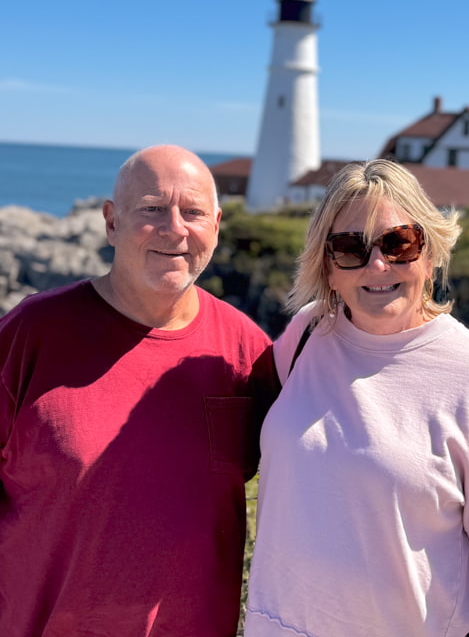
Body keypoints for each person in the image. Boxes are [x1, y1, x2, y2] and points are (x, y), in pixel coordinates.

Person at [245, 159, 469, 637]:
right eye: (349, 248)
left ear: (430, 251)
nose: (378, 264)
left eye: (399, 242)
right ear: (328, 267)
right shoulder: (305, 336)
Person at [0, 144, 280, 637]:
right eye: (152, 208)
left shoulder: (247, 352)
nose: (175, 228)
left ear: (215, 226)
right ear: (111, 222)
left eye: (192, 212)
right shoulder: (32, 333)